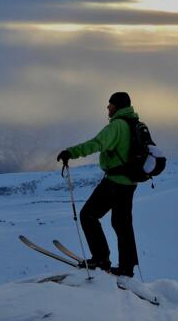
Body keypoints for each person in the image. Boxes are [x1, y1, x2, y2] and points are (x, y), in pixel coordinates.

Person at [57, 92, 139, 277]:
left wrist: (70, 152)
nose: (107, 108)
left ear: (117, 106)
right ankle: (127, 268)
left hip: (115, 182)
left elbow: (96, 144)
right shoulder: (134, 123)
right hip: (130, 183)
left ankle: (101, 259)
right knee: (122, 224)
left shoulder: (117, 126)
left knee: (88, 215)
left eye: (110, 105)